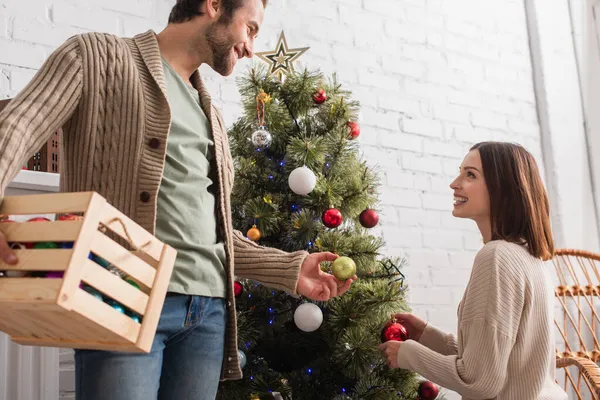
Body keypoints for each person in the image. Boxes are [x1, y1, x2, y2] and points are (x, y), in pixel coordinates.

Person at [0, 0, 356, 399]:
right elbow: (18, 124)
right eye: (250, 29)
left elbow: (213, 232)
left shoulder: (212, 117)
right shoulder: (95, 56)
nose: (251, 48)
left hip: (207, 315)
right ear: (214, 5)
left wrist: (292, 268)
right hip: (121, 298)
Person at [379, 142, 567, 399]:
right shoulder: (527, 257)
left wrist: (407, 354)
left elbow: (480, 381)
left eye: (470, 175)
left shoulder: (497, 256)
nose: (454, 184)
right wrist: (428, 336)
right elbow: (498, 361)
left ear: (503, 188)